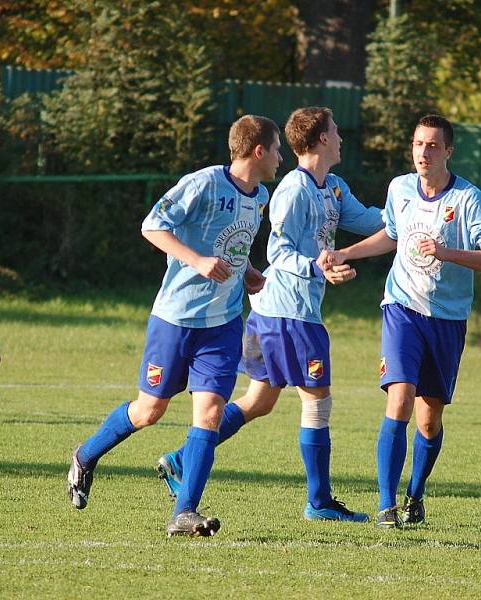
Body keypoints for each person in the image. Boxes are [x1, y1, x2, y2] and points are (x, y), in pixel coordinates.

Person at [156, 106, 383, 522]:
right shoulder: (293, 189)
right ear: (321, 140)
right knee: (318, 399)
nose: (342, 138)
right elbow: (278, 253)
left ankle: (181, 459)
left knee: (259, 401)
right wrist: (318, 266)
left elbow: (368, 219)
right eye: (336, 131)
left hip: (278, 311)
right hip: (287, 311)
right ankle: (319, 501)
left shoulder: (331, 187)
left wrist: (411, 220)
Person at [66, 115, 282, 537]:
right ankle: (86, 454)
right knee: (149, 411)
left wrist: (249, 271)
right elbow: (153, 226)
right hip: (175, 320)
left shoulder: (260, 196)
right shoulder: (202, 184)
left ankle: (185, 512)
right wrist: (197, 261)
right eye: (276, 150)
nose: (280, 158)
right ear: (258, 151)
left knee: (211, 413)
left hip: (222, 324)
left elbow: (232, 245)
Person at [326, 114, 481, 528]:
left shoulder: (469, 200)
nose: (422, 153)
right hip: (401, 308)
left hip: (446, 319)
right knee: (400, 398)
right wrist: (346, 253)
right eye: (417, 144)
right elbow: (391, 235)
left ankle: (415, 495)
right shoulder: (400, 188)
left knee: (429, 418)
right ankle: (386, 504)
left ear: (448, 151)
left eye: (431, 145)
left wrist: (448, 253)